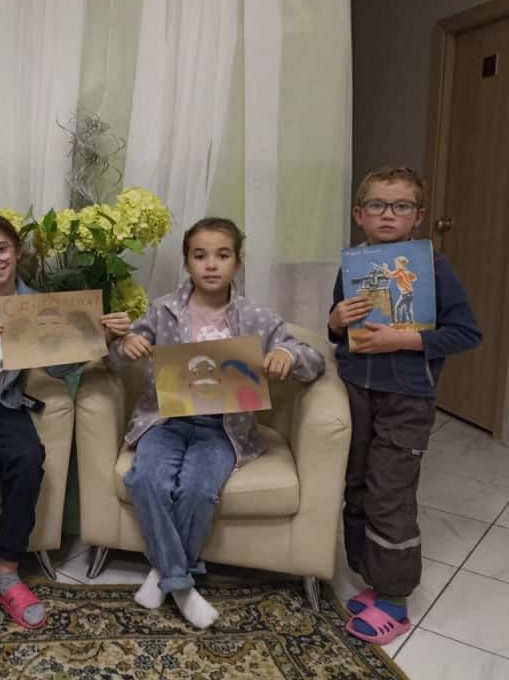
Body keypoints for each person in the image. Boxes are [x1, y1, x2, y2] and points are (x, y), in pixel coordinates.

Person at [109, 217, 324, 629]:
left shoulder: (257, 317)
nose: (211, 264)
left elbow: (312, 359)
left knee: (197, 488)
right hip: (165, 421)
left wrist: (288, 355)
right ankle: (181, 583)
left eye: (222, 255)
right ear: (187, 262)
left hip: (223, 429)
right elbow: (115, 359)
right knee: (146, 479)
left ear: (237, 262)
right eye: (200, 255)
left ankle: (165, 573)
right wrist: (125, 344)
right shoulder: (162, 310)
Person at [0, 214, 131, 629]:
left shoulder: (37, 304)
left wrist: (103, 339)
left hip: (3, 404)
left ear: (17, 251)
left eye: (1, 250)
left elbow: (58, 368)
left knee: (28, 456)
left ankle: (6, 572)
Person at [328, 166, 481, 645]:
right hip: (356, 390)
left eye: (401, 206)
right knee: (357, 484)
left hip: (408, 399)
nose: (388, 215)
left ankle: (394, 597)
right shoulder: (353, 265)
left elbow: (466, 333)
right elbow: (339, 331)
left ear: (418, 216)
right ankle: (370, 576)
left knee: (389, 494)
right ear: (359, 214)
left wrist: (405, 339)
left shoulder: (434, 267)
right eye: (377, 205)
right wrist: (335, 320)